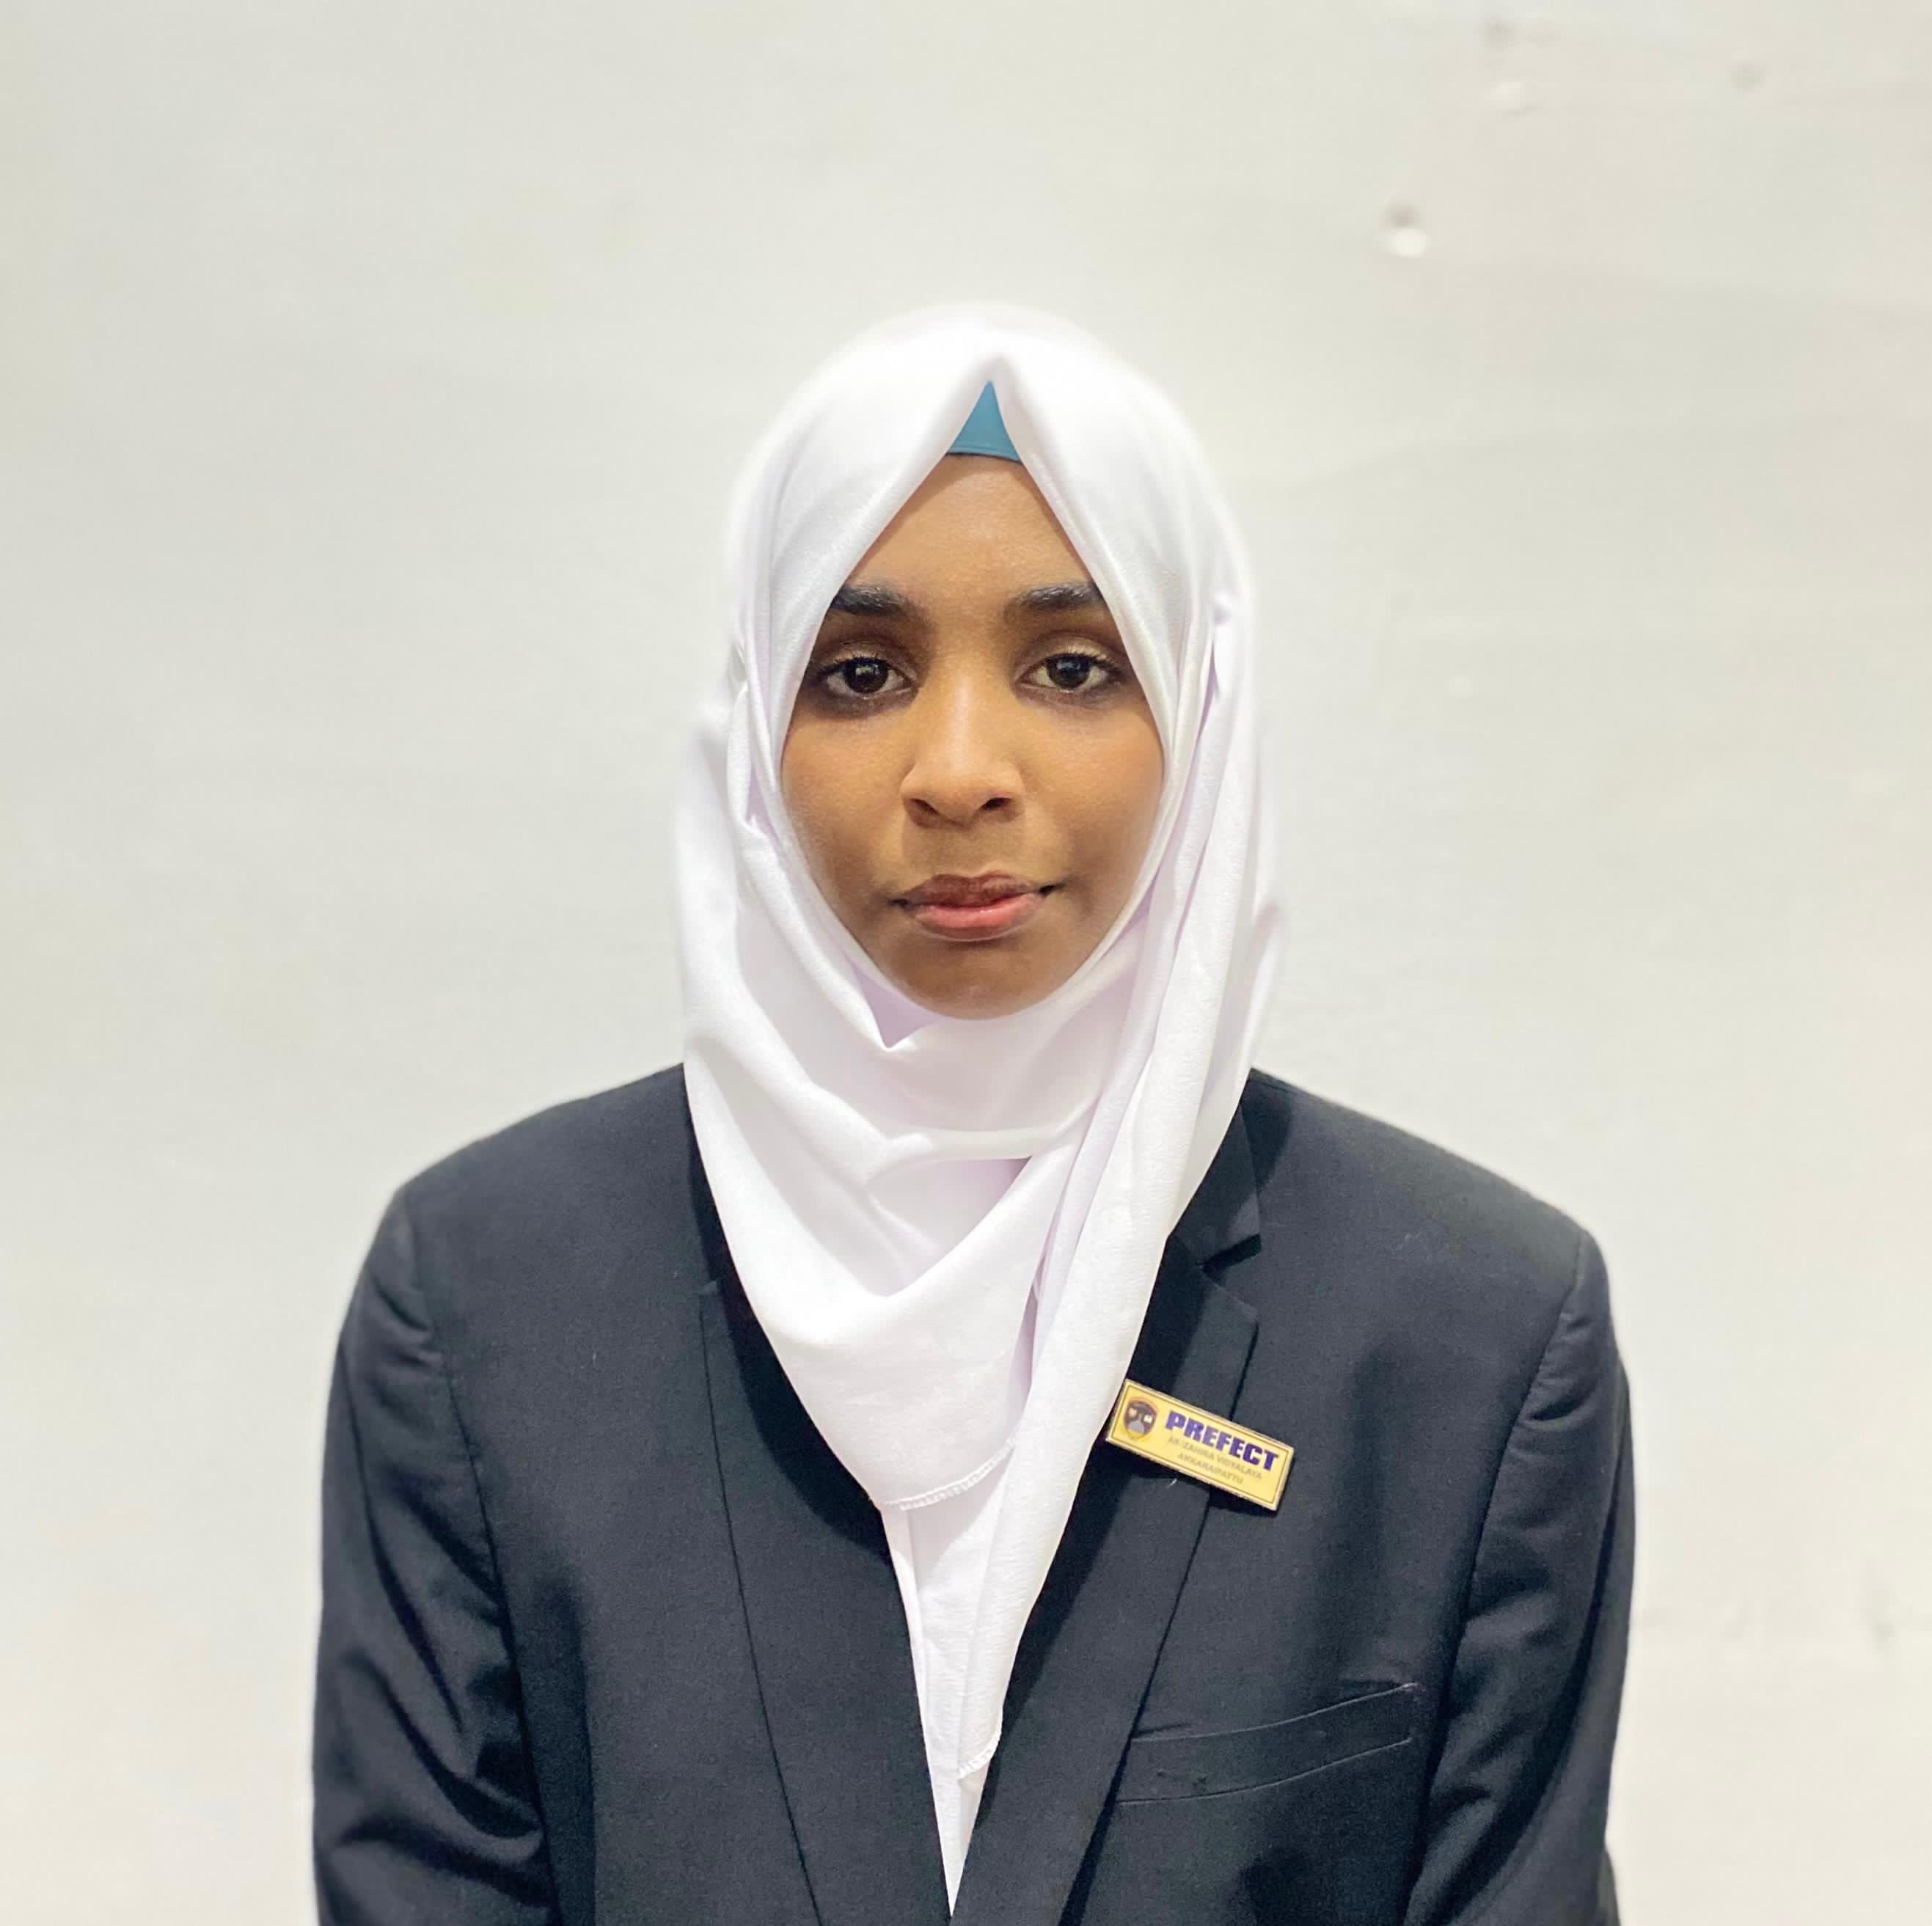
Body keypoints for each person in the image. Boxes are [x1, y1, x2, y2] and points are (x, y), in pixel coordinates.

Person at [312, 306, 1634, 1926]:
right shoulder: (490, 1301)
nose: (958, 770)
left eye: (1072, 668)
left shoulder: (1467, 1337)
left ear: (1199, 711)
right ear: (757, 725)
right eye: (860, 672)